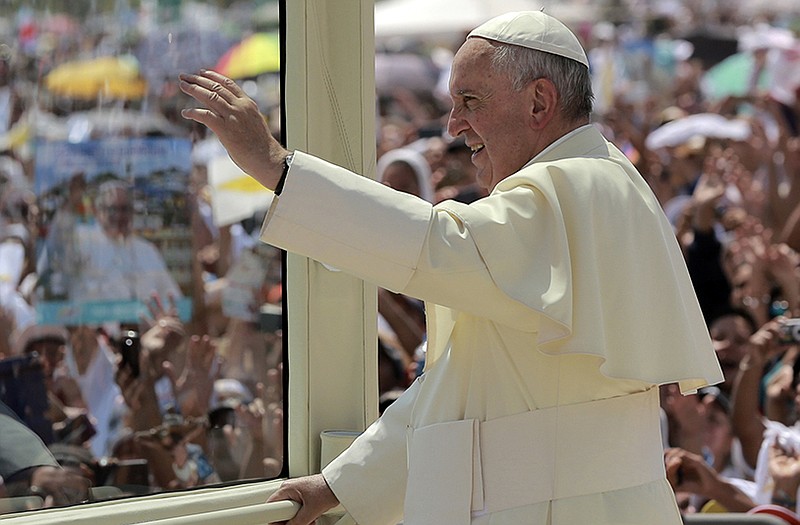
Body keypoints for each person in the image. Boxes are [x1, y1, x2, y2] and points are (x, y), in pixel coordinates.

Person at [179, 10, 722, 525]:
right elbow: (460, 389)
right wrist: (339, 486)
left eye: (470, 100)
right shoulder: (587, 184)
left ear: (539, 102)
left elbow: (438, 244)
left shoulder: (577, 183)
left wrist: (278, 168)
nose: (453, 124)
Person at [63, 180, 182, 303]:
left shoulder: (147, 250)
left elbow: (173, 298)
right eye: (112, 209)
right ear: (98, 212)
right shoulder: (82, 243)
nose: (119, 216)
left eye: (124, 209)